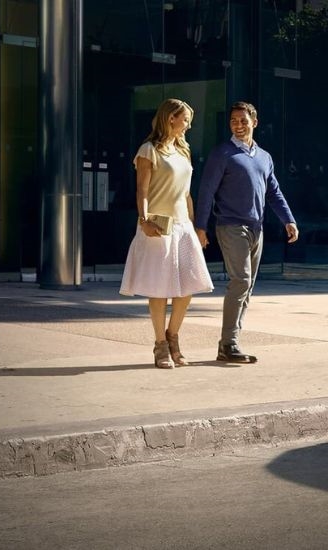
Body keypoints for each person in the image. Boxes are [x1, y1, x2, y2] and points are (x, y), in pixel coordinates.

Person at [194, 102, 298, 363]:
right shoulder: (223, 154)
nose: (238, 126)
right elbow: (206, 191)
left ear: (255, 122)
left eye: (243, 121)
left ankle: (230, 343)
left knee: (247, 287)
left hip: (256, 228)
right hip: (230, 226)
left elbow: (273, 191)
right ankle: (228, 344)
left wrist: (288, 219)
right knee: (240, 281)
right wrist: (201, 227)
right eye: (233, 121)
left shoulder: (264, 157)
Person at [120, 98, 215, 369]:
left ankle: (173, 337)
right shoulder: (148, 150)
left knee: (188, 288)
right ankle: (161, 345)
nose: (188, 125)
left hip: (183, 227)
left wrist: (198, 228)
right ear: (170, 118)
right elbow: (142, 191)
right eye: (185, 120)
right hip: (158, 227)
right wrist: (144, 220)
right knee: (160, 290)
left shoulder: (183, 152)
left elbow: (186, 194)